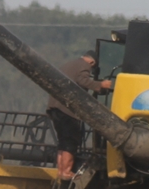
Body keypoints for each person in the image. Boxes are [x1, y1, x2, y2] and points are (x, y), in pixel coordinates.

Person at [47, 50, 113, 180]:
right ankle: (66, 172)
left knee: (63, 141)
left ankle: (61, 171)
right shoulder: (83, 66)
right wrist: (101, 85)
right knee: (71, 141)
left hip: (55, 107)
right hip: (67, 110)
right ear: (92, 62)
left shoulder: (70, 64)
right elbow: (83, 81)